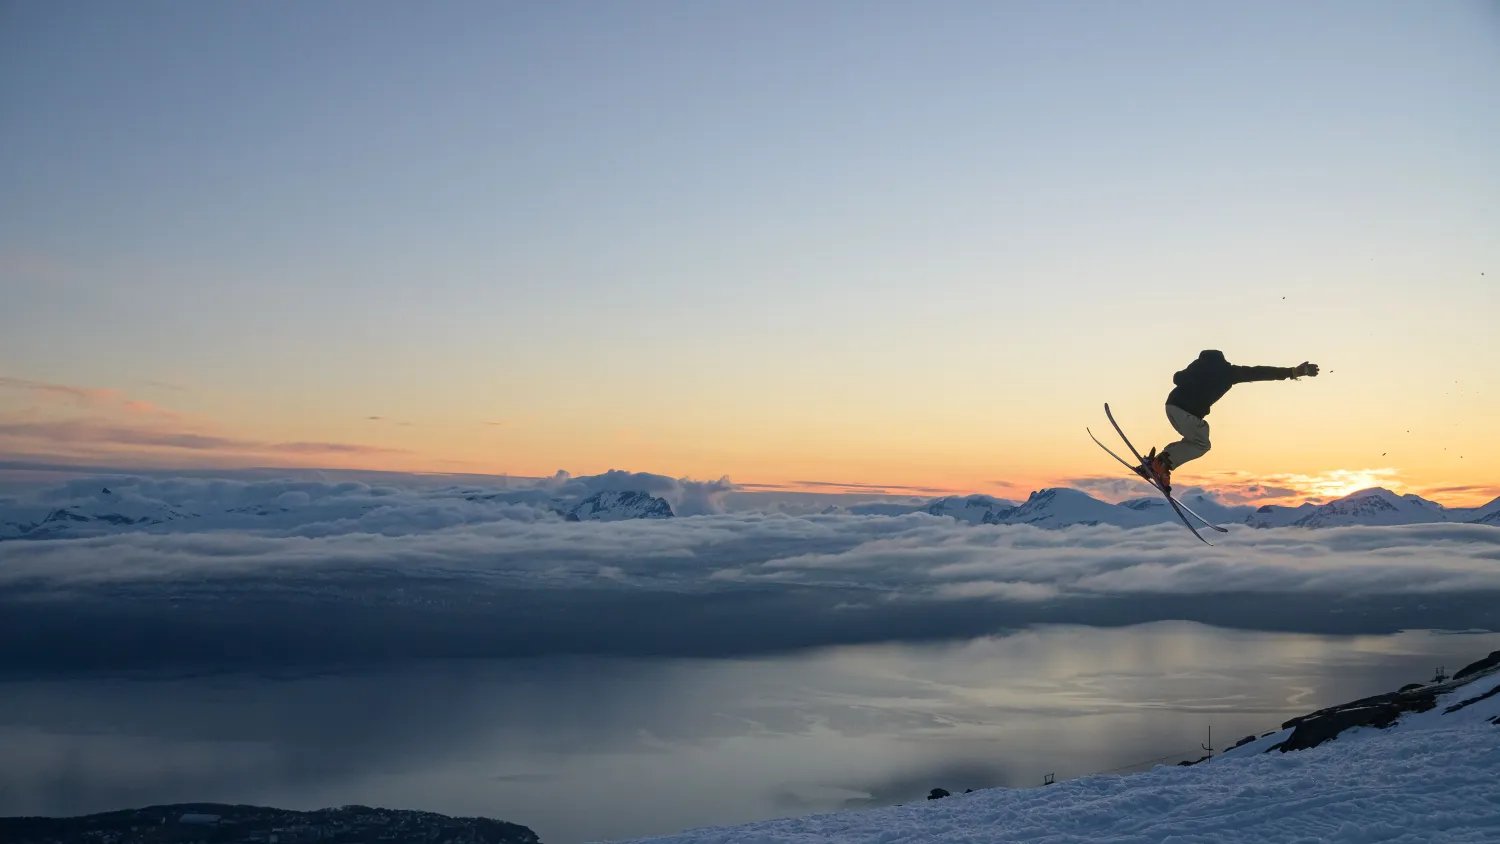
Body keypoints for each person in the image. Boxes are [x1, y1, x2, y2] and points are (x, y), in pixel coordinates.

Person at [1140, 350, 1318, 493]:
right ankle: (1161, 464)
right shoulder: (1228, 372)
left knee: (1193, 441)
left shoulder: (1194, 370)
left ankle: (1157, 464)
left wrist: (1189, 371)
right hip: (1187, 412)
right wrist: (1293, 372)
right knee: (1201, 443)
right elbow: (1259, 372)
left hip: (1171, 407)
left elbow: (1176, 378)